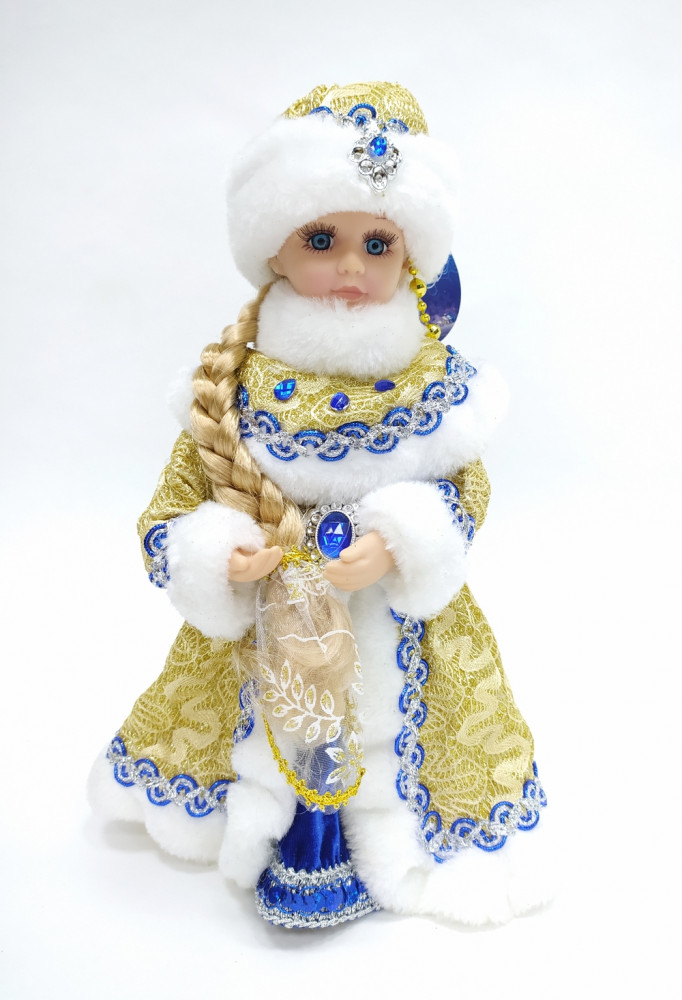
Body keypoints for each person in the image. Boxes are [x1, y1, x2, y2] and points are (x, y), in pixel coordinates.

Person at [88, 81, 550, 929]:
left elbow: (466, 493)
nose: (350, 268)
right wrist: (221, 554)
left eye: (378, 244)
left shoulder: (433, 387)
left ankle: (377, 837)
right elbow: (169, 512)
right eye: (322, 239)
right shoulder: (233, 389)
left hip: (395, 624)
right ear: (275, 248)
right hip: (271, 625)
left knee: (389, 726)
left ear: (410, 256)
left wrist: (403, 539)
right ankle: (285, 833)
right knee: (273, 732)